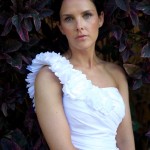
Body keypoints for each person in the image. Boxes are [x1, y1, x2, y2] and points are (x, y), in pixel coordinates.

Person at [26, 0, 135, 149]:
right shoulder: (50, 76)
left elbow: (126, 141)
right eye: (69, 19)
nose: (79, 26)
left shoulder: (116, 74)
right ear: (61, 27)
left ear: (100, 19)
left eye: (87, 15)